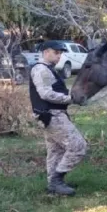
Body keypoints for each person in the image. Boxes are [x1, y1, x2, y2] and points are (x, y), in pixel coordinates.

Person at [29, 40, 87, 196]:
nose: (59, 56)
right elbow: (45, 93)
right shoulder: (41, 69)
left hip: (50, 115)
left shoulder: (47, 69)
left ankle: (53, 184)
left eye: (60, 53)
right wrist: (70, 99)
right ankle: (57, 180)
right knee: (78, 146)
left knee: (56, 150)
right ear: (46, 52)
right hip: (52, 115)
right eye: (56, 53)